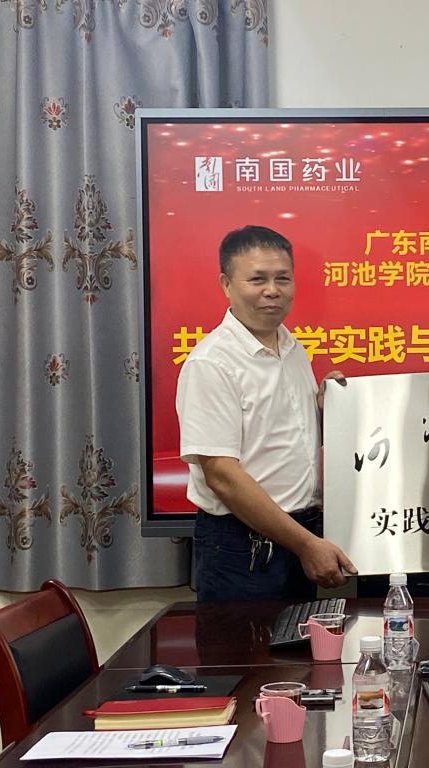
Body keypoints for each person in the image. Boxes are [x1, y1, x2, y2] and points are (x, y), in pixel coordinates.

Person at [176, 225, 356, 602]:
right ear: (226, 284)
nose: (272, 290)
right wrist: (307, 544)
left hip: (298, 533)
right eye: (257, 279)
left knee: (294, 640)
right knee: (244, 643)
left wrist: (325, 412)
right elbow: (222, 476)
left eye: (282, 278)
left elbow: (286, 438)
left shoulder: (291, 347)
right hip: (242, 546)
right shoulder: (212, 363)